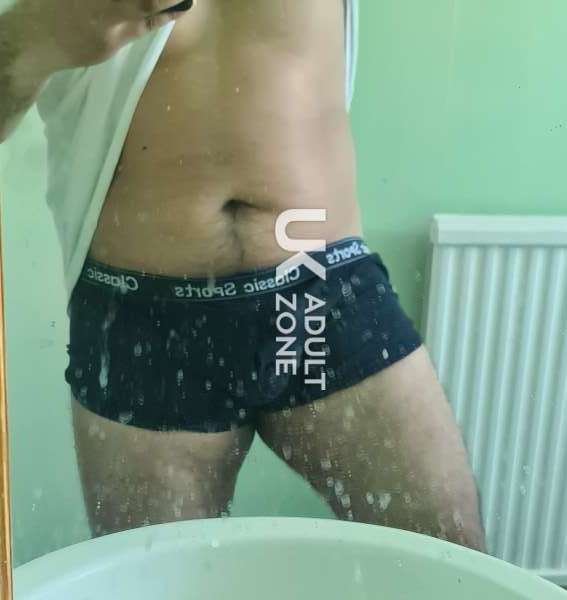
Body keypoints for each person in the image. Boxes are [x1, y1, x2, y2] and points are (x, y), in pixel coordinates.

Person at [0, 0, 486, 550]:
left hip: (320, 286)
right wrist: (36, 34)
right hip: (144, 318)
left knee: (454, 558)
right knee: (160, 585)